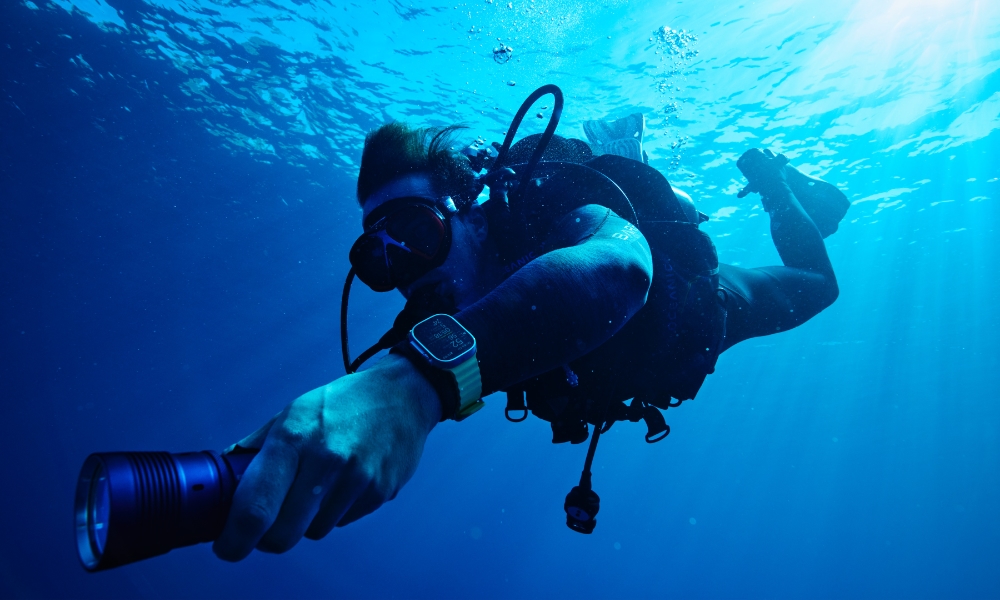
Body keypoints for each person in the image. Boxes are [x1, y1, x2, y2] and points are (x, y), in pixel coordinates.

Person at [211, 115, 844, 561]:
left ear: (470, 211)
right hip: (619, 381)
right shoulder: (436, 314)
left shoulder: (546, 200)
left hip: (693, 316)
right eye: (381, 261)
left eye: (414, 232)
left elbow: (621, 266)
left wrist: (414, 388)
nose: (408, 271)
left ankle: (772, 182)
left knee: (818, 285)